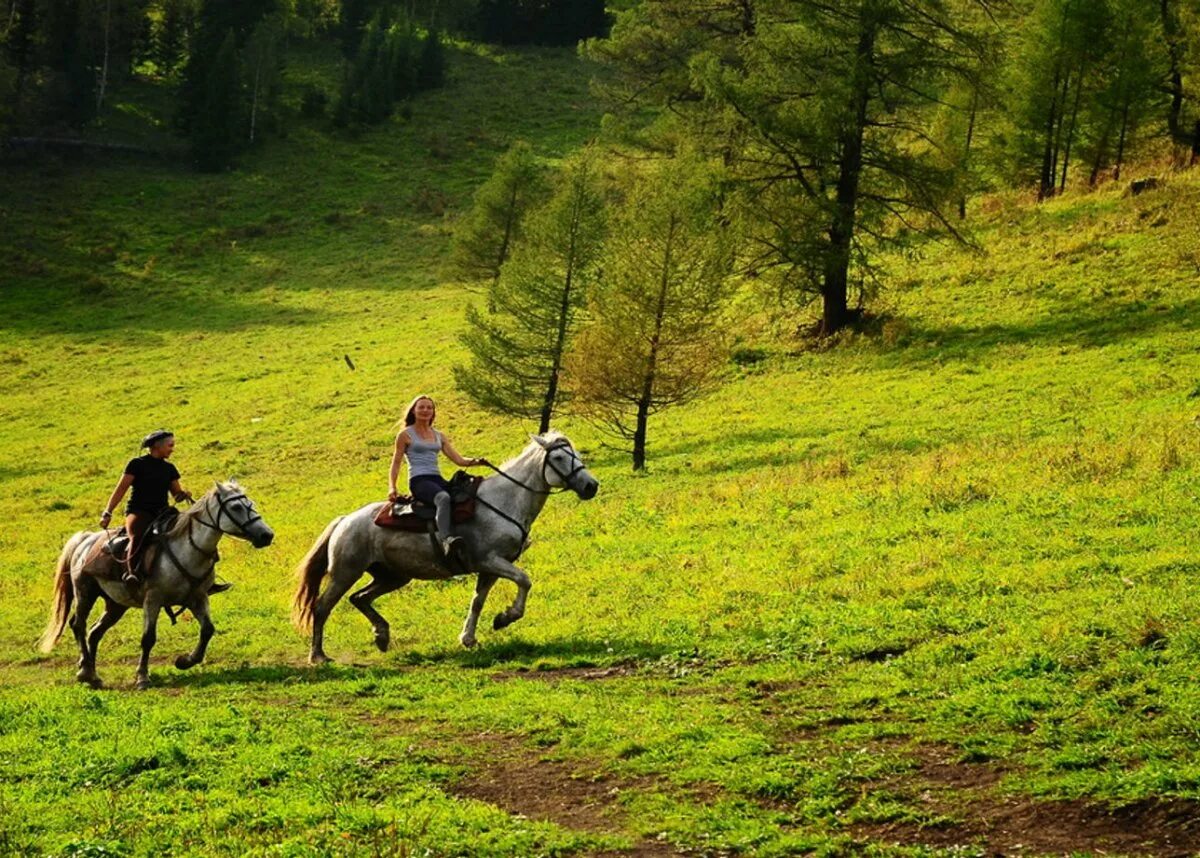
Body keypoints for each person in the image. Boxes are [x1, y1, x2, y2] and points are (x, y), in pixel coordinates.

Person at [388, 395, 484, 560]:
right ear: (414, 411)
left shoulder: (439, 435)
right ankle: (446, 540)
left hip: (437, 479)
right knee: (442, 498)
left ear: (433, 413)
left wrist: (478, 461)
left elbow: (458, 460)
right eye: (421, 407)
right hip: (419, 480)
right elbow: (396, 463)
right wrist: (392, 487)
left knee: (467, 494)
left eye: (429, 408)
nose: (425, 410)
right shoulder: (405, 434)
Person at [100, 430, 194, 587]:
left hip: (163, 512)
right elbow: (121, 489)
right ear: (157, 446)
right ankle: (132, 574)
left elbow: (176, 494)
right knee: (137, 537)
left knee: (189, 530)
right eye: (170, 445)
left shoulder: (169, 468)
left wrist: (183, 494)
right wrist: (107, 512)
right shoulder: (137, 464)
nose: (173, 449)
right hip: (138, 511)